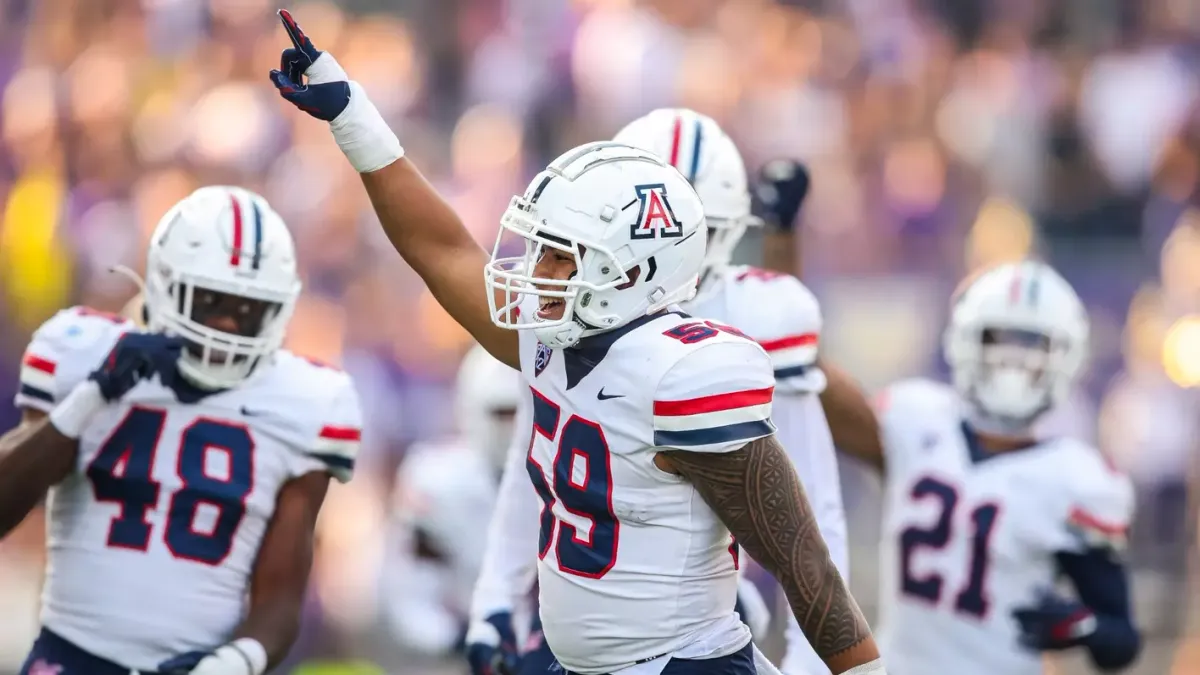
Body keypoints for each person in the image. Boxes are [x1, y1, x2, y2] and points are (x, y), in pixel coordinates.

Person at [270, 11, 884, 675]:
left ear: (630, 271)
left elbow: (800, 554)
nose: (535, 272)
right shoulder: (554, 337)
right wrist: (351, 115)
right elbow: (441, 249)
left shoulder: (686, 372)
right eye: (540, 250)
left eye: (561, 257)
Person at [465, 109, 845, 675]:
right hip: (591, 601)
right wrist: (495, 595)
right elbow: (539, 467)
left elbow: (808, 508)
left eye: (707, 231)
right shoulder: (573, 310)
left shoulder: (755, 321)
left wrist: (813, 661)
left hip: (699, 615)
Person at [0, 186, 362, 675]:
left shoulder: (306, 402)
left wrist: (230, 664)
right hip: (68, 659)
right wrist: (92, 396)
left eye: (249, 309)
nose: (229, 324)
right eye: (212, 301)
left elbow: (280, 600)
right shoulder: (83, 351)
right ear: (166, 284)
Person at [818, 260, 1141, 674]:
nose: (1013, 362)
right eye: (998, 340)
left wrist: (1084, 626)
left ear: (1065, 357)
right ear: (965, 342)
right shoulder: (916, 417)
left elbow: (1121, 641)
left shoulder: (1076, 479)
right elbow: (821, 397)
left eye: (1032, 347)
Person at [380, 344, 525, 657]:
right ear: (469, 409)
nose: (516, 426)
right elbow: (410, 599)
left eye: (525, 411)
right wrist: (465, 641)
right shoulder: (435, 484)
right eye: (503, 413)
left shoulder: (574, 474)